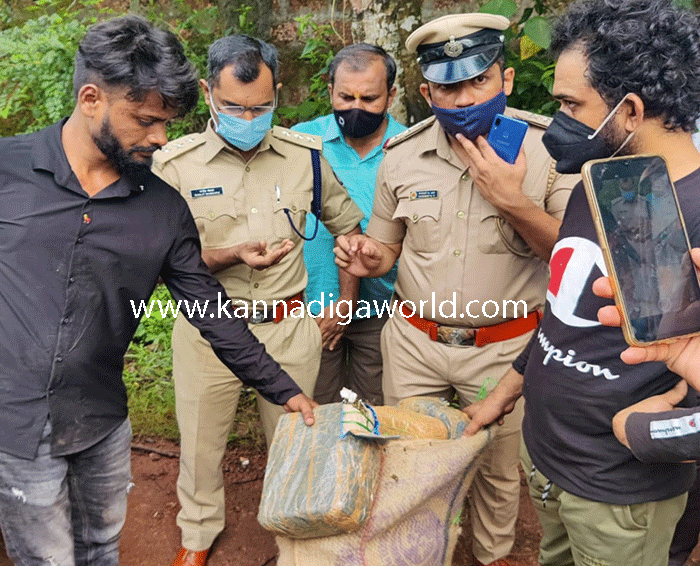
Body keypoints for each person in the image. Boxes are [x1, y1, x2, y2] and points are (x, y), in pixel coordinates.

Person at [0, 15, 316, 566]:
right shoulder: (8, 171)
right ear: (91, 99)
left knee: (101, 547)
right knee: (46, 557)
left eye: (166, 122)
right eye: (146, 120)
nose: (161, 138)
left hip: (101, 420)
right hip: (16, 422)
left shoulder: (161, 207)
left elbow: (210, 310)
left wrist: (282, 389)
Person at [334, 13, 576, 566]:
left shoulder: (551, 152)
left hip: (504, 349)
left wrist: (512, 199)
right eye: (447, 87)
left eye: (478, 80)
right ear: (426, 93)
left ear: (506, 78)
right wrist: (367, 256)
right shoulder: (403, 155)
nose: (464, 98)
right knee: (409, 462)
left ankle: (492, 556)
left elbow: (570, 261)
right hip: (414, 345)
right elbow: (386, 248)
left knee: (497, 470)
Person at [464, 1, 700, 565]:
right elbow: (562, 316)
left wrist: (660, 434)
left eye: (571, 104)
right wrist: (507, 391)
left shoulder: (695, 216)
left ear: (631, 110)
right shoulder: (600, 185)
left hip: (620, 495)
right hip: (548, 463)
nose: (559, 119)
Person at [152, 34, 363, 566]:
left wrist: (345, 299)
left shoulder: (305, 159)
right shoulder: (174, 167)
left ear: (277, 96)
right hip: (207, 330)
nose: (248, 118)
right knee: (201, 445)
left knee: (295, 443)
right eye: (233, 107)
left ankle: (294, 537)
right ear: (207, 93)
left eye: (260, 107)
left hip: (288, 327)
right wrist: (230, 255)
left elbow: (349, 230)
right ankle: (197, 535)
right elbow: (158, 262)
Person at [291, 44, 406, 406]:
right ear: (330, 92)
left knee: (376, 413)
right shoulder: (302, 142)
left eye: (369, 98)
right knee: (315, 411)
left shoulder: (408, 148)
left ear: (391, 96)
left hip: (385, 309)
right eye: (345, 97)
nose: (356, 108)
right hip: (312, 305)